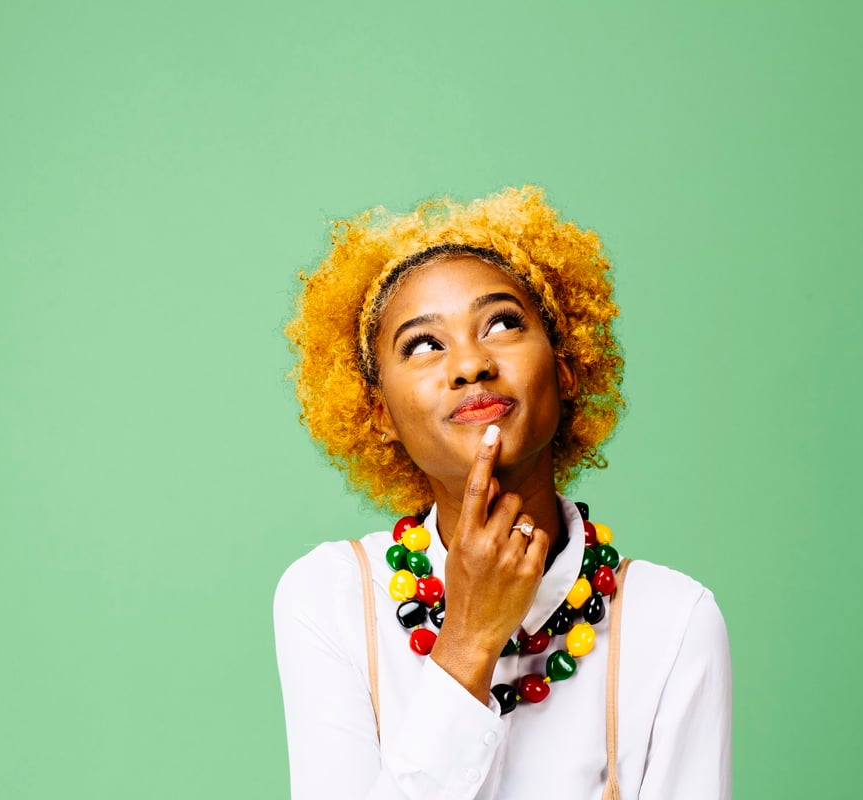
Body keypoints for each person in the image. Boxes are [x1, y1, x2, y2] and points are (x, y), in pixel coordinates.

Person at [273, 187, 731, 799]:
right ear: (378, 413)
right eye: (424, 345)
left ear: (565, 370)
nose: (470, 364)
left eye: (502, 323)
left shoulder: (673, 620)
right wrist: (467, 642)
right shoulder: (330, 596)